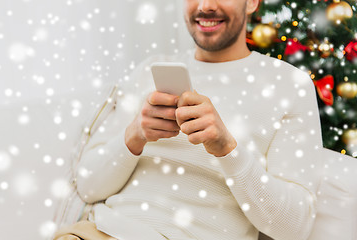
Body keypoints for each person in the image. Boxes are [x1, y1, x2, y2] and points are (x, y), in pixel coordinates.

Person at [54, 0, 323, 239]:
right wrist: (135, 134)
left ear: (253, 2)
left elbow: (294, 229)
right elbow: (88, 187)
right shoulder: (149, 70)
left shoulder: (289, 86)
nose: (205, 5)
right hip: (100, 232)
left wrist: (227, 149)